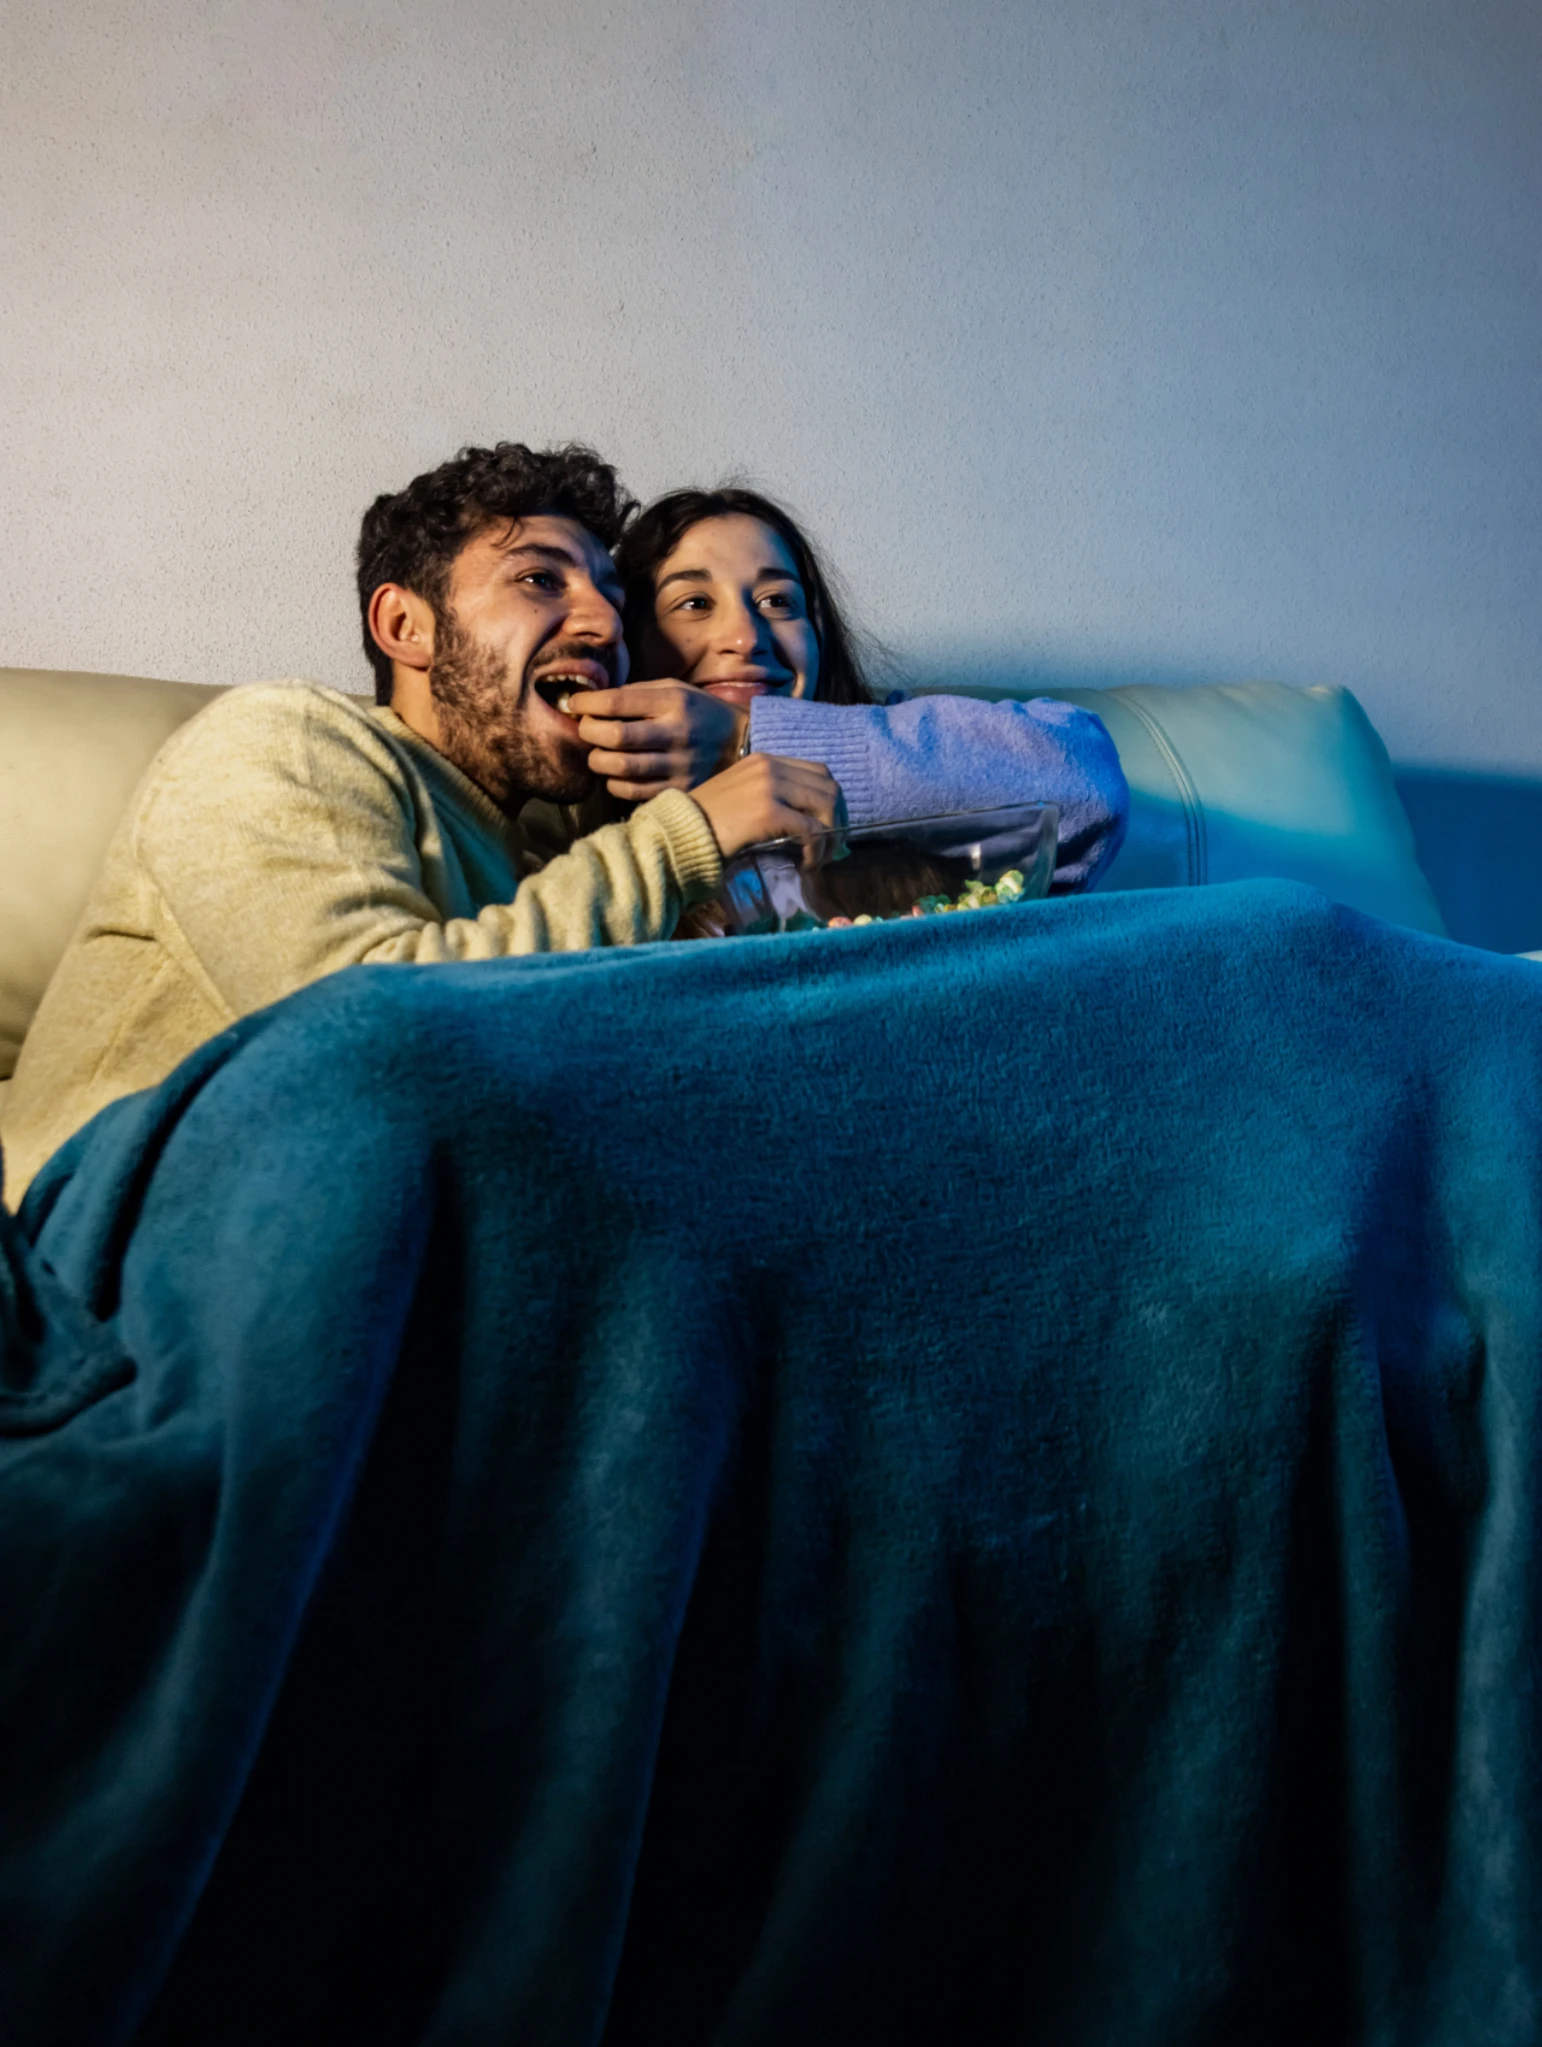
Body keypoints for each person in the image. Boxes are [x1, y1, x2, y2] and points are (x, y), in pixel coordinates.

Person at [0, 445, 839, 1205]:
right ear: (405, 625)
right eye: (541, 580)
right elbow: (367, 1034)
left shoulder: (538, 854)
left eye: (612, 599)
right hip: (95, 1239)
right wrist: (684, 833)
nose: (603, 624)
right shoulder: (286, 736)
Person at [556, 486, 1128, 894]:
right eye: (694, 604)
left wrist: (751, 739)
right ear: (627, 638)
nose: (745, 637)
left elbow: (1089, 783)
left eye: (778, 602)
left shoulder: (892, 734)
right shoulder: (573, 814)